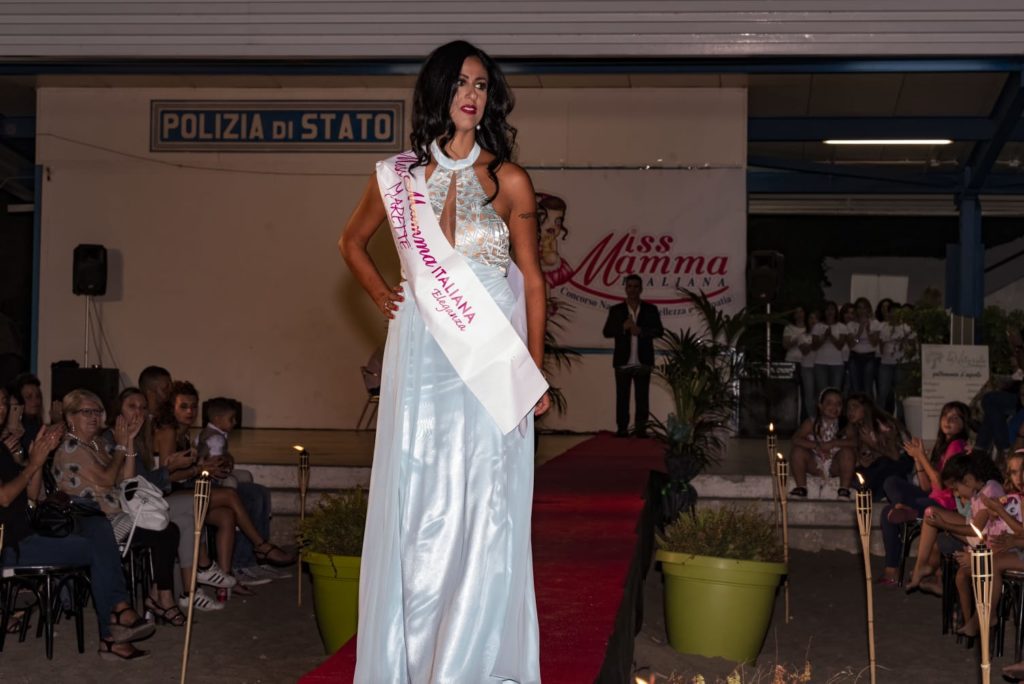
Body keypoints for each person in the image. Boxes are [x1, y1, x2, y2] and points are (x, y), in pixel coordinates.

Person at [338, 40, 550, 682]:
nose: (471, 95)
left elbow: (532, 280)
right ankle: (410, 659)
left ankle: (472, 664)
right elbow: (351, 241)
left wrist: (534, 370)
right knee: (421, 498)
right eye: (460, 83)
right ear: (438, 92)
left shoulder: (509, 180)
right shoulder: (400, 178)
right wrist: (382, 294)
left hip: (490, 354)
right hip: (421, 350)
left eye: (481, 85)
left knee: (487, 502)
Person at [0, 392, 155, 660]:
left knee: (98, 530)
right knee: (99, 542)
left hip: (27, 534)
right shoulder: (72, 447)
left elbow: (32, 495)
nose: (2, 408)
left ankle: (116, 621)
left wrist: (37, 460)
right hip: (9, 546)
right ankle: (115, 624)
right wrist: (33, 463)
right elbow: (3, 497)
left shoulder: (2, 449)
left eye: (3, 402)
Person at [51, 389, 184, 627]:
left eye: (97, 411)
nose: (94, 417)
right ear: (70, 417)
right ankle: (161, 597)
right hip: (90, 521)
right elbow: (106, 479)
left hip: (114, 514)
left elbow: (127, 479)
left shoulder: (97, 443)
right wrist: (121, 447)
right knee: (165, 532)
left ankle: (160, 595)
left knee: (168, 529)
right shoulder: (71, 447)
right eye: (86, 412)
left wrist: (129, 440)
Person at [875, 401, 970, 585]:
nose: (948, 420)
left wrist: (921, 456)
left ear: (963, 424)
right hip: (931, 498)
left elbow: (941, 484)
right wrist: (918, 460)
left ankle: (892, 571)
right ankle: (901, 507)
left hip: (945, 506)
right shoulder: (943, 446)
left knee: (890, 511)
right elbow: (927, 487)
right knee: (891, 483)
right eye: (946, 415)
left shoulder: (957, 445)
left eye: (955, 418)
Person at [195, 397, 287, 584]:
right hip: (210, 483)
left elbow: (221, 459)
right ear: (218, 419)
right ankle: (247, 558)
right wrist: (222, 465)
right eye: (231, 419)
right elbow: (215, 463)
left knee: (260, 492)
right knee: (246, 498)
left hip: (211, 478)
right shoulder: (215, 437)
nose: (235, 423)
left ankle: (255, 559)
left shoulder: (209, 434)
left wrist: (228, 461)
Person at [602, 274, 664, 438]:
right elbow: (607, 332)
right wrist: (623, 327)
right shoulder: (617, 310)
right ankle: (622, 429)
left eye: (636, 286)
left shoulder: (650, 309)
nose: (633, 290)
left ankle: (641, 430)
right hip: (623, 362)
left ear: (641, 289)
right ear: (626, 288)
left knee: (642, 399)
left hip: (643, 361)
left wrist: (641, 331)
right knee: (622, 398)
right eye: (630, 286)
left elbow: (659, 331)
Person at [787, 388, 856, 499]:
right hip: (815, 463)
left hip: (835, 464)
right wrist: (816, 446)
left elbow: (855, 442)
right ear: (820, 406)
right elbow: (796, 439)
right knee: (797, 451)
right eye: (829, 403)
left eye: (838, 404)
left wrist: (834, 443)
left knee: (848, 453)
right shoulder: (811, 422)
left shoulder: (845, 425)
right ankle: (801, 487)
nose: (834, 407)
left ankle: (844, 490)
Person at [846, 392, 911, 500]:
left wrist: (872, 445)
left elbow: (895, 456)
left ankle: (877, 495)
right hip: (882, 462)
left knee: (885, 465)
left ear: (865, 408)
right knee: (857, 474)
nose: (850, 412)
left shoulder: (882, 424)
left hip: (902, 458)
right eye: (848, 408)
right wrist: (864, 459)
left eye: (855, 407)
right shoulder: (857, 428)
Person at [812, 301, 848, 400]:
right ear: (824, 312)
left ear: (836, 311)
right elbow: (814, 346)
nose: (830, 312)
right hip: (820, 363)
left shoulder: (842, 326)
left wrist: (831, 336)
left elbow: (840, 346)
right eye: (827, 309)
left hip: (837, 364)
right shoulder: (817, 326)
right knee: (822, 393)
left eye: (832, 309)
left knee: (836, 392)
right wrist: (824, 337)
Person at [847, 297, 881, 400]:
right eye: (859, 308)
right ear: (856, 310)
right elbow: (852, 344)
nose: (862, 310)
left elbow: (874, 343)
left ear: (868, 309)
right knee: (855, 388)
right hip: (855, 357)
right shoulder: (851, 324)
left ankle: (868, 409)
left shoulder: (875, 323)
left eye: (864, 308)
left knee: (867, 389)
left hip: (869, 357)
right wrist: (859, 332)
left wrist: (869, 331)